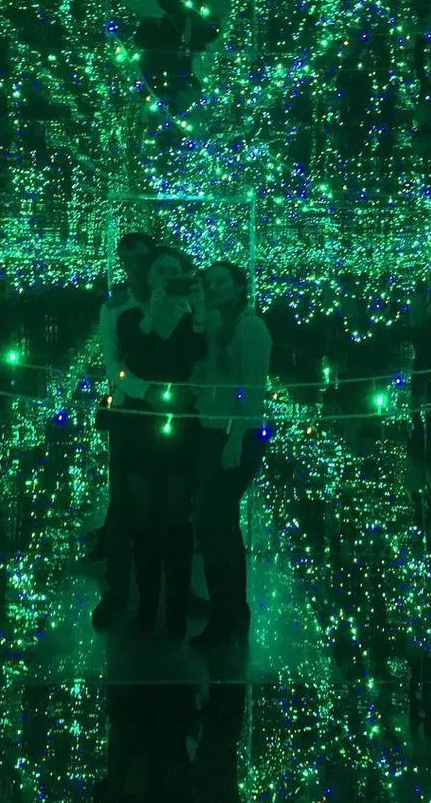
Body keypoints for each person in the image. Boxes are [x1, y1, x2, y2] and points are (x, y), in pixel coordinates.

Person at [95, 246, 206, 641]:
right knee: (139, 517)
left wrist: (196, 313)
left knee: (177, 516)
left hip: (180, 424)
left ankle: (175, 607)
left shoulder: (193, 315)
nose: (166, 278)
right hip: (138, 423)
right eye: (161, 271)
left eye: (175, 272)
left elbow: (201, 359)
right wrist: (148, 392)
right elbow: (126, 361)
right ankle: (141, 602)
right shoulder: (125, 313)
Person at [189, 261, 271, 649]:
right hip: (211, 429)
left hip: (236, 435)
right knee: (221, 524)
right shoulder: (214, 324)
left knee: (210, 522)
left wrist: (236, 437)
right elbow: (211, 375)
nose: (213, 287)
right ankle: (233, 610)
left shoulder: (250, 328)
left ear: (239, 287)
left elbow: (252, 389)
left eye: (222, 281)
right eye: (209, 282)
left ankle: (224, 616)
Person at [89, 233, 156, 567]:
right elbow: (113, 364)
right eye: (126, 259)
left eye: (139, 257)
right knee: (123, 487)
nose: (133, 266)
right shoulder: (115, 307)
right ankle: (118, 567)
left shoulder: (172, 301)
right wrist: (145, 391)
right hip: (130, 408)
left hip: (166, 408)